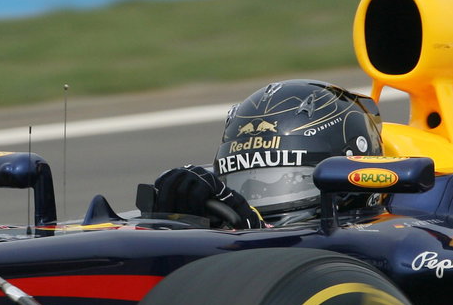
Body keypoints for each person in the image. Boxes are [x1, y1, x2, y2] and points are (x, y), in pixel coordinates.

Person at [145, 80, 382, 228]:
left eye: (293, 179)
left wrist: (254, 231)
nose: (256, 200)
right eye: (245, 185)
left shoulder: (396, 235)